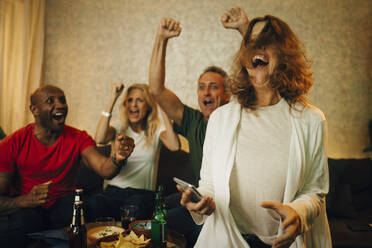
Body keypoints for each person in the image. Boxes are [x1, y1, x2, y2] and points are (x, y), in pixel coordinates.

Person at [178, 11, 332, 248]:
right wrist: (200, 202)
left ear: (285, 54)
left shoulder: (311, 120)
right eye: (251, 43)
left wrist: (298, 213)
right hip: (226, 239)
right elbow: (208, 183)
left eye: (266, 42)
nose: (256, 48)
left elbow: (315, 192)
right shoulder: (220, 118)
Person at [149, 13, 243, 247]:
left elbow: (251, 74)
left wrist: (244, 29)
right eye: (201, 88)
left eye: (213, 87)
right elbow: (156, 90)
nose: (206, 93)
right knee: (160, 215)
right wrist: (161, 39)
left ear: (227, 94)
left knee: (169, 221)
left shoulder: (236, 116)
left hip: (230, 204)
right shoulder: (192, 119)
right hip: (202, 197)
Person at [0, 85, 134, 247]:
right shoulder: (12, 143)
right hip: (28, 208)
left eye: (62, 100)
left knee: (89, 208)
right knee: (21, 227)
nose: (61, 105)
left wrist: (116, 159)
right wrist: (25, 201)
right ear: (34, 110)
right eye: (50, 101)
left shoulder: (78, 137)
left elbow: (104, 169)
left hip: (65, 205)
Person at [92, 83, 180, 220]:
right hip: (113, 191)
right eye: (130, 100)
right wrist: (113, 98)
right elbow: (99, 138)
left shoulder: (156, 129)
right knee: (94, 204)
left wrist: (160, 103)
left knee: (135, 208)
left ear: (149, 106)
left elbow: (174, 145)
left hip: (142, 195)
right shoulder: (119, 126)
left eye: (140, 100)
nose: (133, 104)